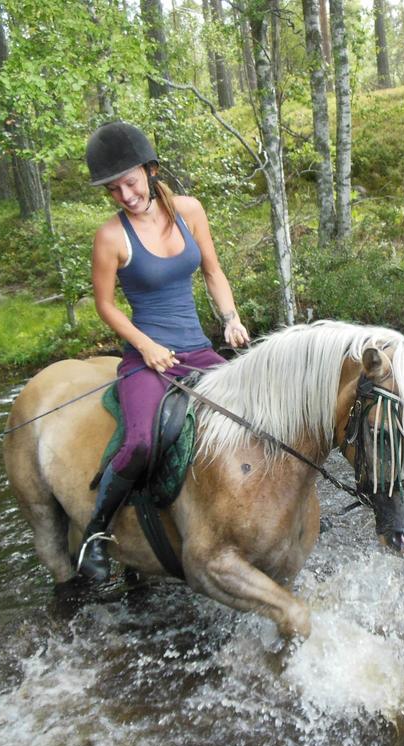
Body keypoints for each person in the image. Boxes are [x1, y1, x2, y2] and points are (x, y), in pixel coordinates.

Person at [80, 121, 250, 581]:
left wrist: (230, 318)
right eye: (113, 190)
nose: (125, 195)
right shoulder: (111, 237)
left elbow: (213, 271)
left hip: (197, 348)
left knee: (252, 416)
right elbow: (104, 305)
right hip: (146, 356)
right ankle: (95, 533)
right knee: (139, 442)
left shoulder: (190, 211)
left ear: (150, 170)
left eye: (130, 183)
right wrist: (145, 345)